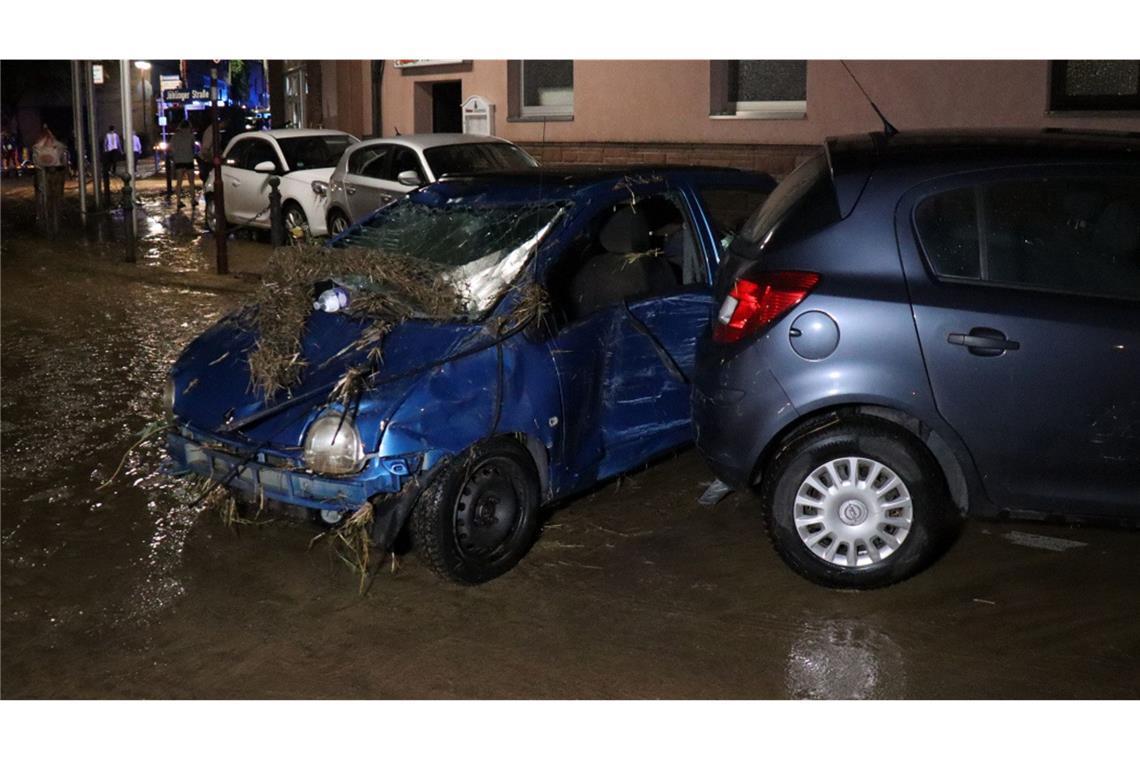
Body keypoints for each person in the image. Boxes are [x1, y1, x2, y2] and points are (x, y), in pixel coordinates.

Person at [32, 124, 68, 236]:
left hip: (51, 175)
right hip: (49, 175)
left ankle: (50, 224)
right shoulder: (57, 147)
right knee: (49, 200)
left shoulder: (56, 147)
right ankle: (50, 224)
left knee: (50, 200)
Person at [170, 120, 197, 209]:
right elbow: (193, 147)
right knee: (191, 182)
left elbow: (172, 149)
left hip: (179, 161)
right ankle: (193, 200)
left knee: (179, 182)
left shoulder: (175, 137)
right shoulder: (191, 136)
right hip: (188, 160)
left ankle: (178, 201)